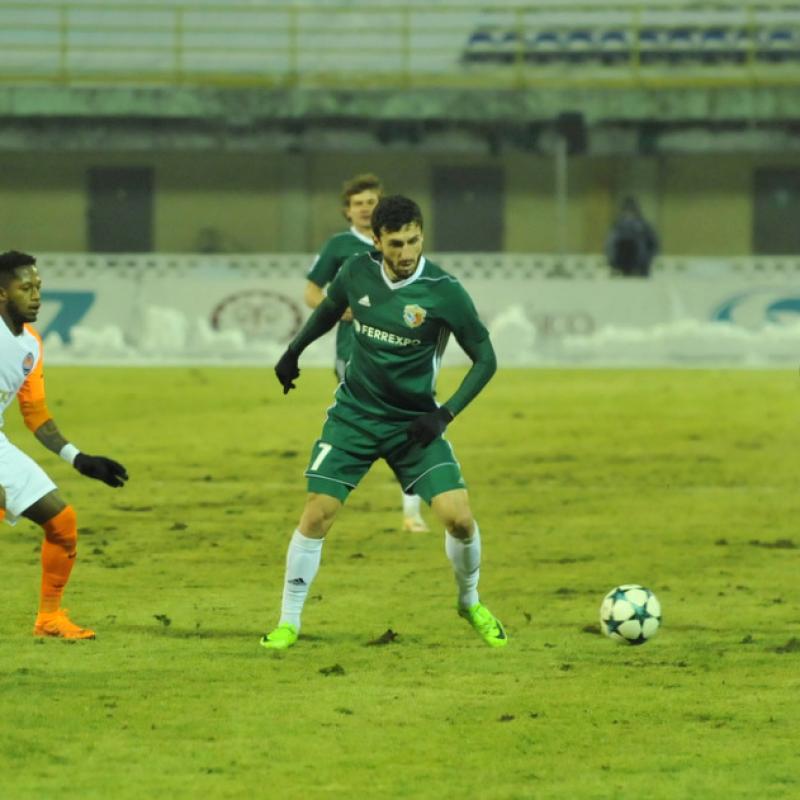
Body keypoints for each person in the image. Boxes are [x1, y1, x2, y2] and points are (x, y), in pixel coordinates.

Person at [261, 195, 507, 651]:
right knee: (317, 513)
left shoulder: (444, 291)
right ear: (376, 241)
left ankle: (469, 601)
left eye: (413, 240)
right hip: (354, 416)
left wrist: (444, 414)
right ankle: (288, 623)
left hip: (415, 424)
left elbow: (486, 360)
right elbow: (329, 308)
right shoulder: (356, 271)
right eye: (396, 243)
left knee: (459, 520)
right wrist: (293, 352)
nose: (406, 251)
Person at [0, 250, 128, 639]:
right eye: (25, 288)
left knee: (61, 522)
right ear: (2, 293)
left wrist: (78, 458)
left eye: (38, 286)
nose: (36, 296)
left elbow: (35, 413)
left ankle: (49, 618)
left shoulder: (31, 344)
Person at [305, 172, 428, 533]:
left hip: (401, 350)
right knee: (384, 425)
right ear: (347, 210)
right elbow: (311, 293)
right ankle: (329, 499)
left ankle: (411, 511)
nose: (364, 208)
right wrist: (339, 309)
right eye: (357, 203)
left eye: (371, 202)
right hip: (353, 352)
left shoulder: (397, 242)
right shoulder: (339, 246)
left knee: (408, 423)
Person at [605, 196, 659, 277]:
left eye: (631, 211)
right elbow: (610, 244)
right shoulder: (618, 226)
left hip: (640, 265)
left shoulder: (644, 225)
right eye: (627, 211)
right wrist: (612, 261)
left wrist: (648, 260)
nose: (629, 214)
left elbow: (654, 243)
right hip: (621, 265)